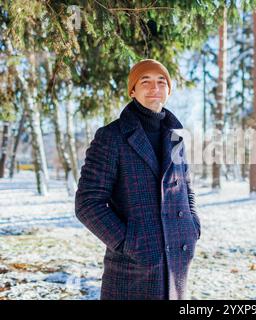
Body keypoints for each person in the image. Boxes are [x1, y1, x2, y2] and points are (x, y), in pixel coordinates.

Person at [75, 59, 201, 300]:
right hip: (132, 269)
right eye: (146, 81)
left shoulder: (177, 137)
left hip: (176, 262)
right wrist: (128, 243)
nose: (155, 87)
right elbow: (87, 203)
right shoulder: (111, 137)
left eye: (161, 81)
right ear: (132, 90)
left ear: (168, 90)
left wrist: (192, 227)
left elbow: (186, 189)